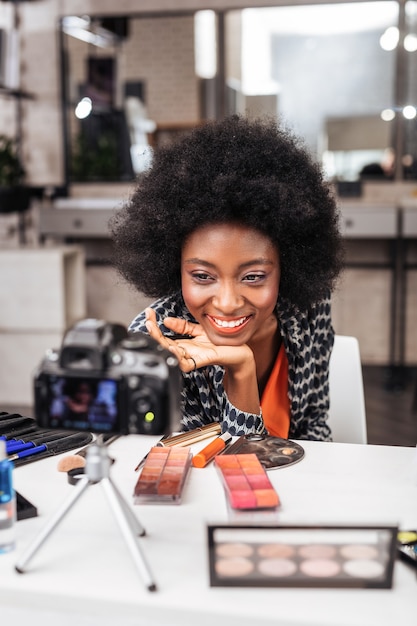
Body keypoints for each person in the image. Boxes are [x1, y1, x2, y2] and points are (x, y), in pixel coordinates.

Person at [110, 115, 344, 440]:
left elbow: (315, 427)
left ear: (287, 267)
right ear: (175, 268)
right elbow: (197, 467)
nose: (228, 302)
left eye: (253, 276)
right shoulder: (157, 344)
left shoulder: (309, 311)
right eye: (203, 276)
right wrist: (241, 372)